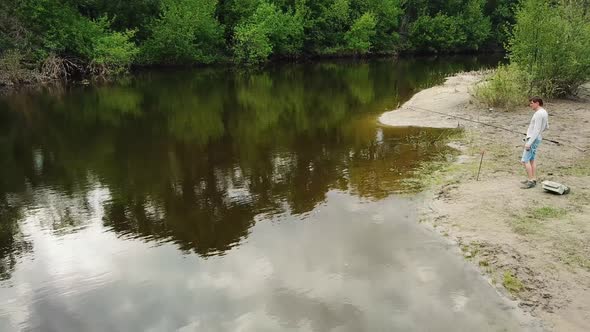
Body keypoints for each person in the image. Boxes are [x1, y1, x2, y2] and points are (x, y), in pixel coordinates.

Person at [521, 96, 549, 189]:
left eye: (532, 103)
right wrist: (537, 133)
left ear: (537, 103)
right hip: (537, 138)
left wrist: (529, 143)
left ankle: (530, 181)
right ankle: (533, 178)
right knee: (532, 159)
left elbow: (536, 130)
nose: (530, 105)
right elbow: (546, 127)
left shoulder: (538, 114)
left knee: (525, 160)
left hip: (533, 139)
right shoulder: (544, 112)